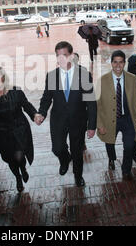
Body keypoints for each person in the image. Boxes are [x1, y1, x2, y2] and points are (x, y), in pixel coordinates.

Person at [37, 41, 97, 187]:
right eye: (58, 56)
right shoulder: (51, 76)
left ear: (71, 56)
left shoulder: (84, 74)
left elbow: (91, 102)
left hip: (78, 120)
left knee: (77, 151)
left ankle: (78, 176)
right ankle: (64, 160)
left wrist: (92, 125)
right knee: (57, 148)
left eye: (64, 55)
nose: (61, 59)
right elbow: (46, 98)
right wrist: (41, 112)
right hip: (58, 120)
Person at [0, 67, 39, 192]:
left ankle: (23, 169)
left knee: (19, 156)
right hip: (3, 134)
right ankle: (18, 177)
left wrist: (34, 115)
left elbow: (26, 105)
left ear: (3, 77)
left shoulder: (16, 91)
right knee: (10, 160)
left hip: (20, 129)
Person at [96, 51, 136, 179]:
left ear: (124, 63)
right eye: (115, 62)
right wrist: (100, 124)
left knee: (129, 145)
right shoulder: (102, 80)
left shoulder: (132, 78)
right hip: (109, 120)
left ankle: (126, 169)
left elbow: (134, 101)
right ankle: (111, 158)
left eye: (121, 62)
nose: (118, 65)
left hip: (127, 119)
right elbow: (97, 104)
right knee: (109, 142)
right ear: (111, 63)